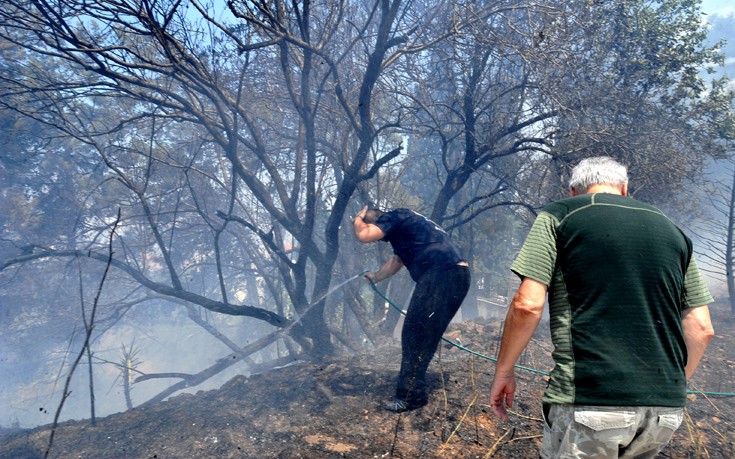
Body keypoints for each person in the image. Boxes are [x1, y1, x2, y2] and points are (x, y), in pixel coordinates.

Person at [489, 156, 715, 458]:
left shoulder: (560, 215)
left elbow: (528, 305)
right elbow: (701, 328)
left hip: (591, 403)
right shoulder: (673, 230)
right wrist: (665, 390)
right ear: (624, 190)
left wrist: (504, 373)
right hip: (663, 412)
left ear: (572, 191)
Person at [354, 205, 471, 413]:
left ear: (378, 219)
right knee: (423, 333)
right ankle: (414, 389)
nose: (382, 238)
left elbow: (364, 235)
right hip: (457, 276)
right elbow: (397, 260)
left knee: (415, 333)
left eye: (379, 230)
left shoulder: (394, 216)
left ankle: (410, 396)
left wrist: (358, 218)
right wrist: (377, 277)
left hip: (441, 275)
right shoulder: (409, 225)